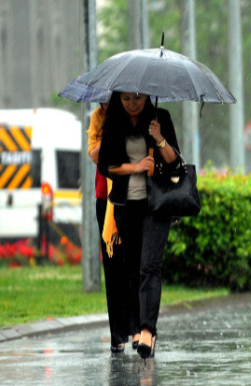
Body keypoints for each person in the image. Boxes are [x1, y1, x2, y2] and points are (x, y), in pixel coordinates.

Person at [98, 91, 180, 359]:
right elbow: (105, 166)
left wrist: (159, 138)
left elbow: (175, 161)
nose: (132, 103)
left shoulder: (160, 118)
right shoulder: (114, 124)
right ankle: (136, 326)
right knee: (132, 268)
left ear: (147, 96)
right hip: (126, 207)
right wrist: (134, 168)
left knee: (150, 267)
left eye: (137, 98)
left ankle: (147, 331)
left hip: (156, 206)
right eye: (126, 99)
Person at [87, 103, 141, 353]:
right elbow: (95, 155)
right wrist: (112, 136)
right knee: (112, 264)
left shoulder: (136, 114)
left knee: (134, 264)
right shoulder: (98, 117)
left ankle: (137, 329)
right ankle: (117, 334)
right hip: (106, 198)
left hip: (134, 195)